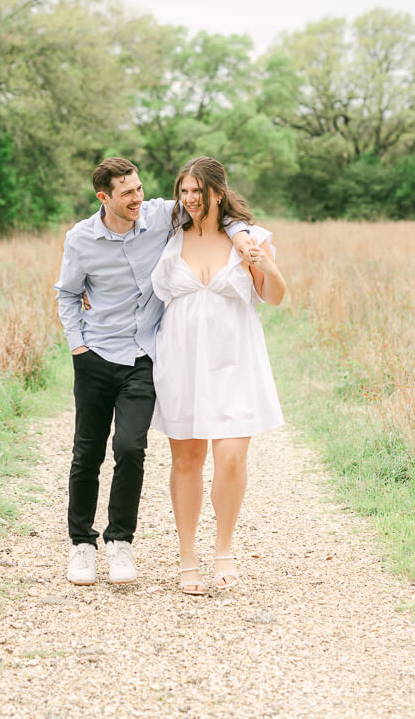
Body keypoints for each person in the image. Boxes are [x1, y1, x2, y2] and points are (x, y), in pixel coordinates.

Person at [55, 157, 256, 587]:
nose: (138, 199)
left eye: (140, 189)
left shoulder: (160, 216)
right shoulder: (81, 239)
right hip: (94, 356)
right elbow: (68, 294)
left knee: (130, 448)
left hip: (144, 355)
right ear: (103, 197)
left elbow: (215, 211)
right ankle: (82, 546)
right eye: (127, 193)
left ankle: (120, 542)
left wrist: (240, 236)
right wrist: (78, 344)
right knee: (87, 452)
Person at [150, 156, 286, 594]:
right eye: (183, 191)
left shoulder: (249, 239)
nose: (189, 199)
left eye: (197, 192)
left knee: (231, 456)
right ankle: (188, 556)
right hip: (182, 358)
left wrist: (261, 260)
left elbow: (277, 296)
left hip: (235, 358)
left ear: (218, 193)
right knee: (187, 460)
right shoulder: (167, 235)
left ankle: (223, 549)